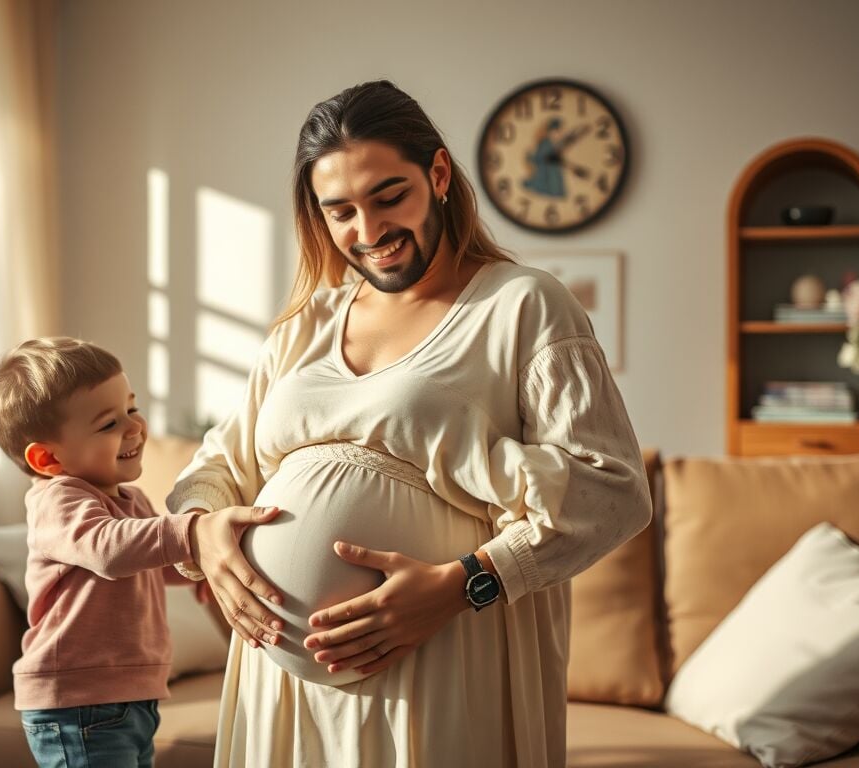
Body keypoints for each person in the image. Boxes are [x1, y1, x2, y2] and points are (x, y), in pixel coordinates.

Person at [166, 81, 652, 767]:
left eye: (389, 196)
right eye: (341, 212)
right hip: (281, 688)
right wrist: (204, 535)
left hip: (446, 657)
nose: (369, 232)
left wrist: (465, 585)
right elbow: (218, 465)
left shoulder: (523, 305)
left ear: (439, 175)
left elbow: (613, 492)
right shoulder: (305, 325)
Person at [0, 337, 279, 768]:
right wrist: (192, 533)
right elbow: (108, 549)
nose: (135, 427)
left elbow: (150, 564)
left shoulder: (131, 499)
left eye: (132, 408)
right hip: (77, 703)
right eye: (109, 424)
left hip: (128, 695)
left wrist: (203, 562)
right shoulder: (57, 501)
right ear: (47, 458)